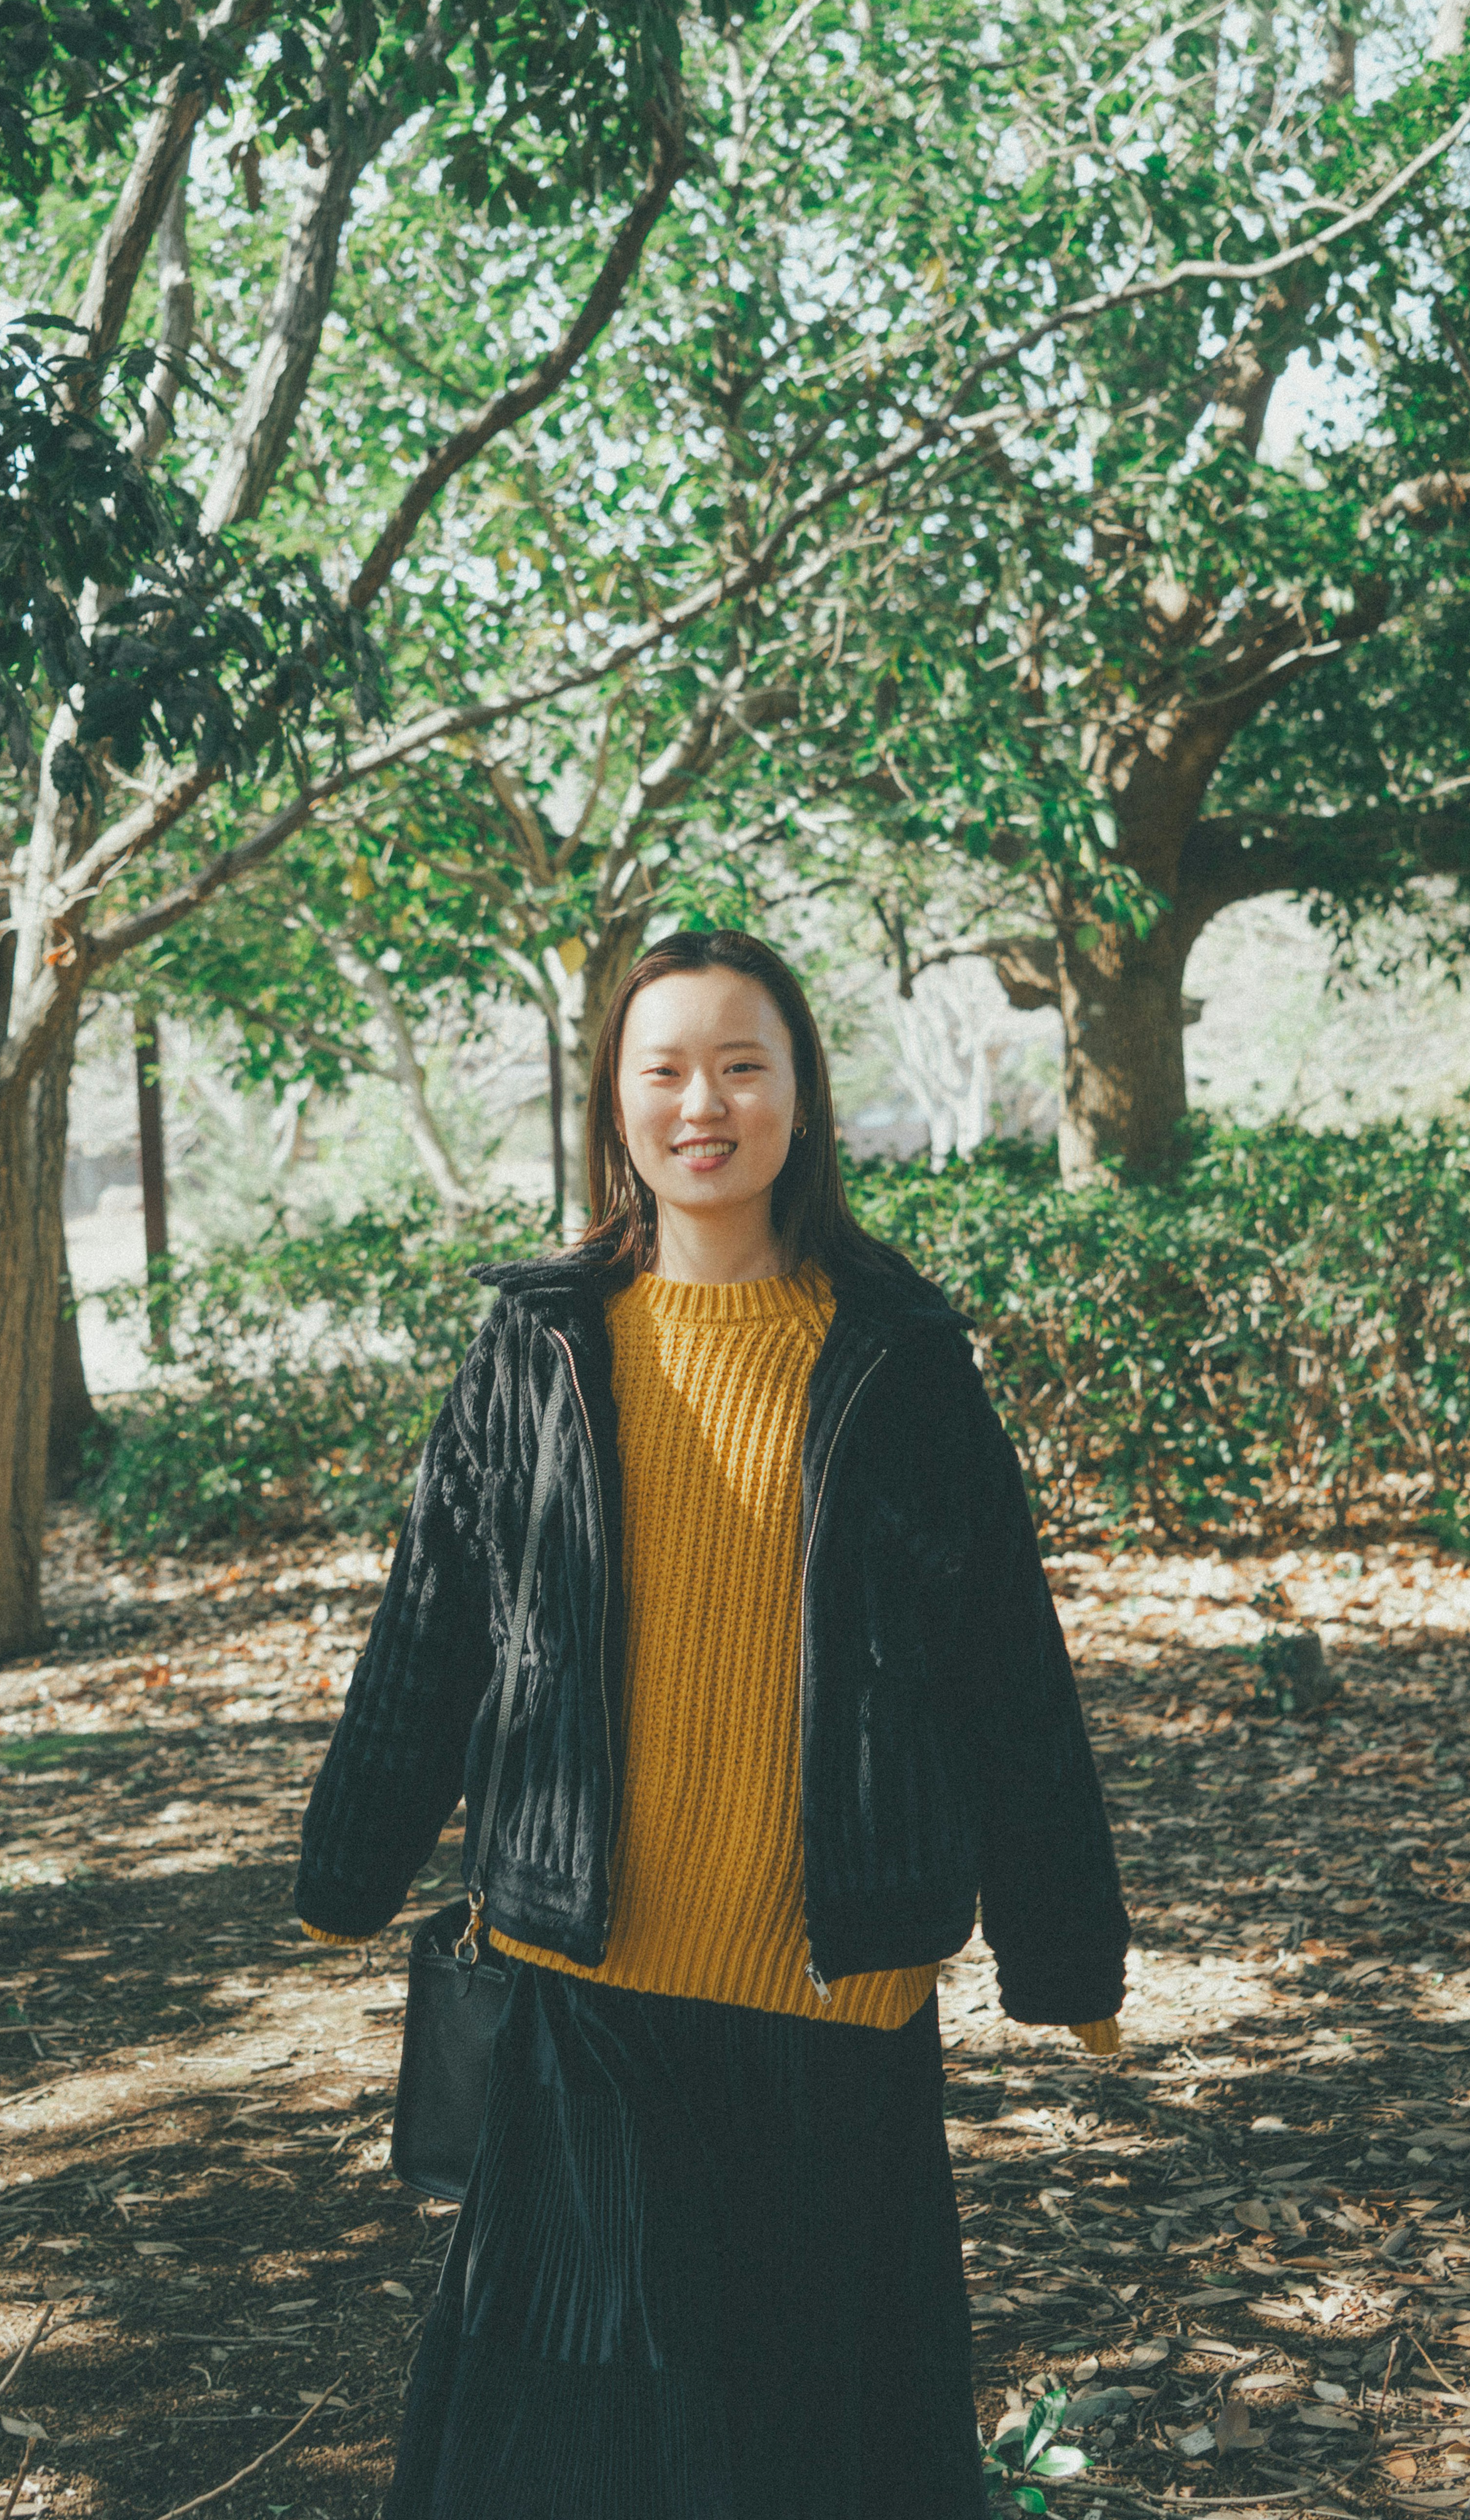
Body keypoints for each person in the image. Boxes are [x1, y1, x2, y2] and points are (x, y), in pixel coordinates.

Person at [294, 929, 1129, 2520]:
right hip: (580, 1988)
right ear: (615, 1105)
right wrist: (353, 1864)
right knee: (564, 2446)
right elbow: (439, 1623)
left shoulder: (903, 1359)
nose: (705, 1103)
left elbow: (1007, 1673)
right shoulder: (538, 1346)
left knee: (815, 2447)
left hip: (833, 1993)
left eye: (744, 1065)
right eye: (664, 1068)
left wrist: (1067, 1950)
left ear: (803, 1098)